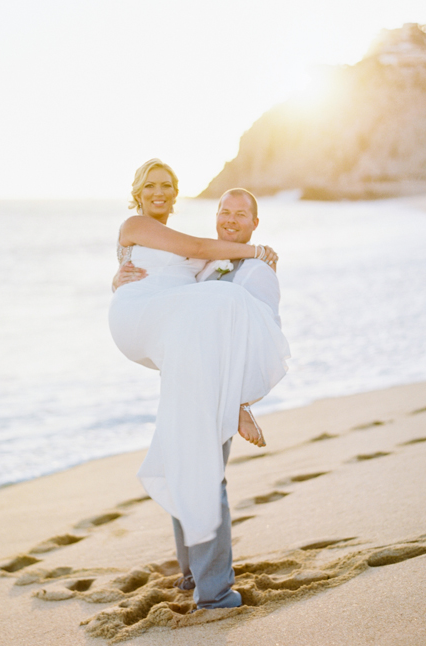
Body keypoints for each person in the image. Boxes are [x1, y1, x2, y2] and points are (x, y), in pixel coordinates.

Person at [108, 160, 289, 610]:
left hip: (196, 368)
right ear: (138, 191)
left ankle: (192, 575)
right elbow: (186, 251)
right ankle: (215, 591)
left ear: (254, 222)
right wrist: (256, 249)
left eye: (167, 186)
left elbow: (251, 323)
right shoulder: (146, 228)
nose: (159, 192)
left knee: (186, 459)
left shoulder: (241, 269)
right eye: (151, 185)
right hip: (182, 355)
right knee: (206, 472)